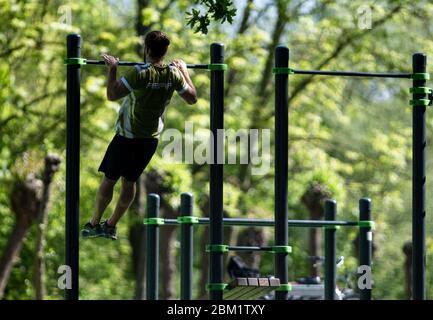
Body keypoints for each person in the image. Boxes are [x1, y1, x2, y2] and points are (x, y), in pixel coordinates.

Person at [82, 31, 197, 240]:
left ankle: (94, 222)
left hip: (126, 136)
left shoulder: (139, 73)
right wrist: (185, 71)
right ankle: (111, 225)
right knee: (129, 181)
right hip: (149, 140)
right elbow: (192, 98)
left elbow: (111, 95)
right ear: (166, 51)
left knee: (109, 180)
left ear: (146, 49)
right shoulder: (174, 74)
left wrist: (113, 70)